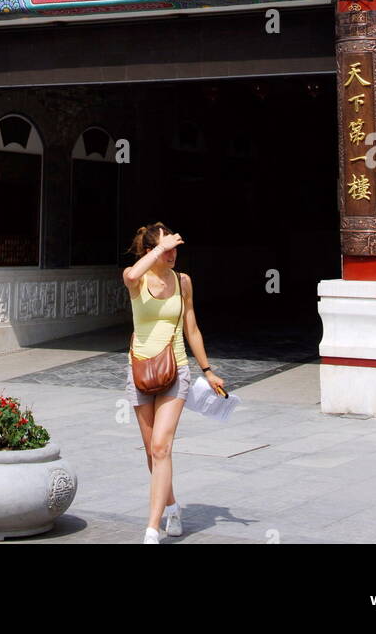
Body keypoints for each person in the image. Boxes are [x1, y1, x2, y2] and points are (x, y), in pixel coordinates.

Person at [123, 221, 226, 543]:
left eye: (175, 250)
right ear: (151, 251)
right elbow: (130, 275)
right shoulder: (137, 280)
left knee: (161, 447)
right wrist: (159, 249)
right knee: (150, 452)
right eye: (168, 251)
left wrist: (207, 370)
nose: (173, 256)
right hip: (140, 369)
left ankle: (152, 527)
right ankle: (172, 507)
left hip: (176, 368)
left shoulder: (183, 282)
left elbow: (191, 328)